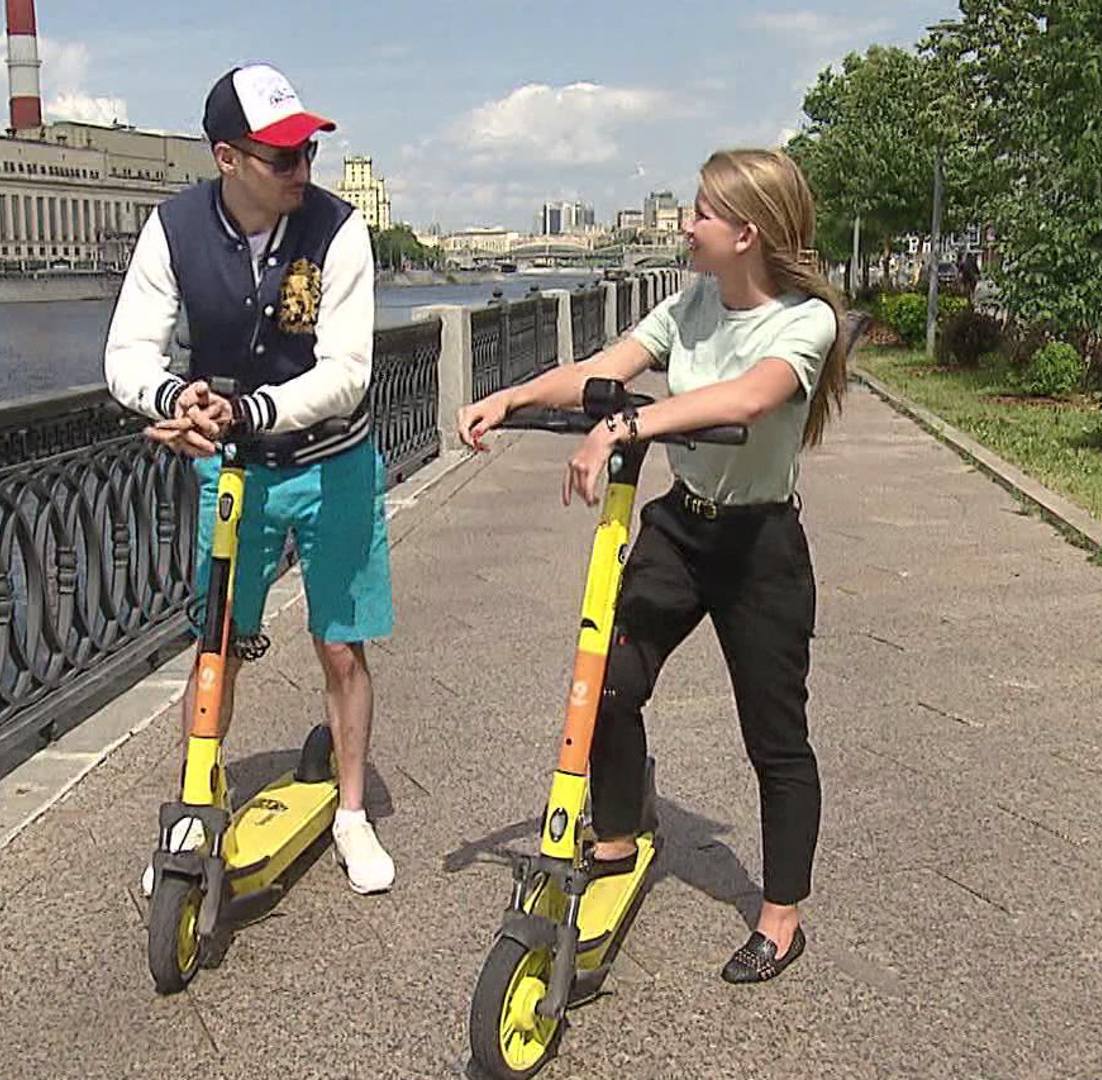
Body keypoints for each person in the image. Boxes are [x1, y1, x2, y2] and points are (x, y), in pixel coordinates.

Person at [456, 148, 847, 983]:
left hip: (759, 547)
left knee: (774, 738)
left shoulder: (803, 321)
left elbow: (747, 399)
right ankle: (616, 839)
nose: (685, 223)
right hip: (682, 531)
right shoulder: (694, 299)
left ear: (747, 233)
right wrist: (513, 397)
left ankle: (781, 918)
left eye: (701, 212)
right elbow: (605, 370)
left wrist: (631, 429)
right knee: (607, 683)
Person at [104, 63, 395, 896]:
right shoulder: (174, 229)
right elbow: (128, 352)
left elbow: (346, 371)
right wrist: (174, 397)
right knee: (218, 643)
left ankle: (350, 813)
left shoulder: (339, 232)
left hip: (333, 459)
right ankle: (200, 797)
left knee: (341, 644)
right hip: (237, 472)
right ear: (227, 159)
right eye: (282, 158)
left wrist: (243, 412)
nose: (303, 171)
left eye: (307, 151)